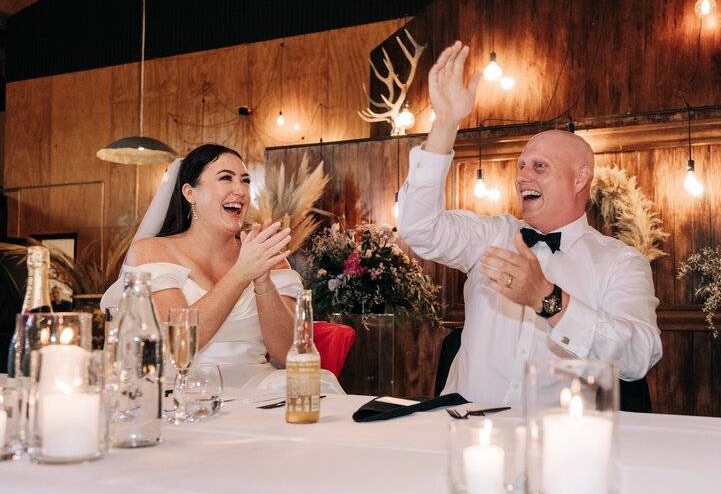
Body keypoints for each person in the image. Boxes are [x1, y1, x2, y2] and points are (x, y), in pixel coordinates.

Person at [397, 42, 662, 405]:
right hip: (467, 432)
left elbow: (638, 355)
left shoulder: (621, 263)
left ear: (579, 178)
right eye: (521, 166)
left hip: (560, 444)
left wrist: (549, 300)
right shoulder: (491, 235)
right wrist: (444, 125)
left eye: (540, 167)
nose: (523, 177)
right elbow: (419, 228)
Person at [101, 144, 343, 392]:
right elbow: (180, 344)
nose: (240, 191)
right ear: (190, 193)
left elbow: (288, 353)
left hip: (260, 389)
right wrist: (241, 273)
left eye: (246, 181)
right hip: (183, 389)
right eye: (226, 178)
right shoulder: (151, 252)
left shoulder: (264, 255)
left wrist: (262, 281)